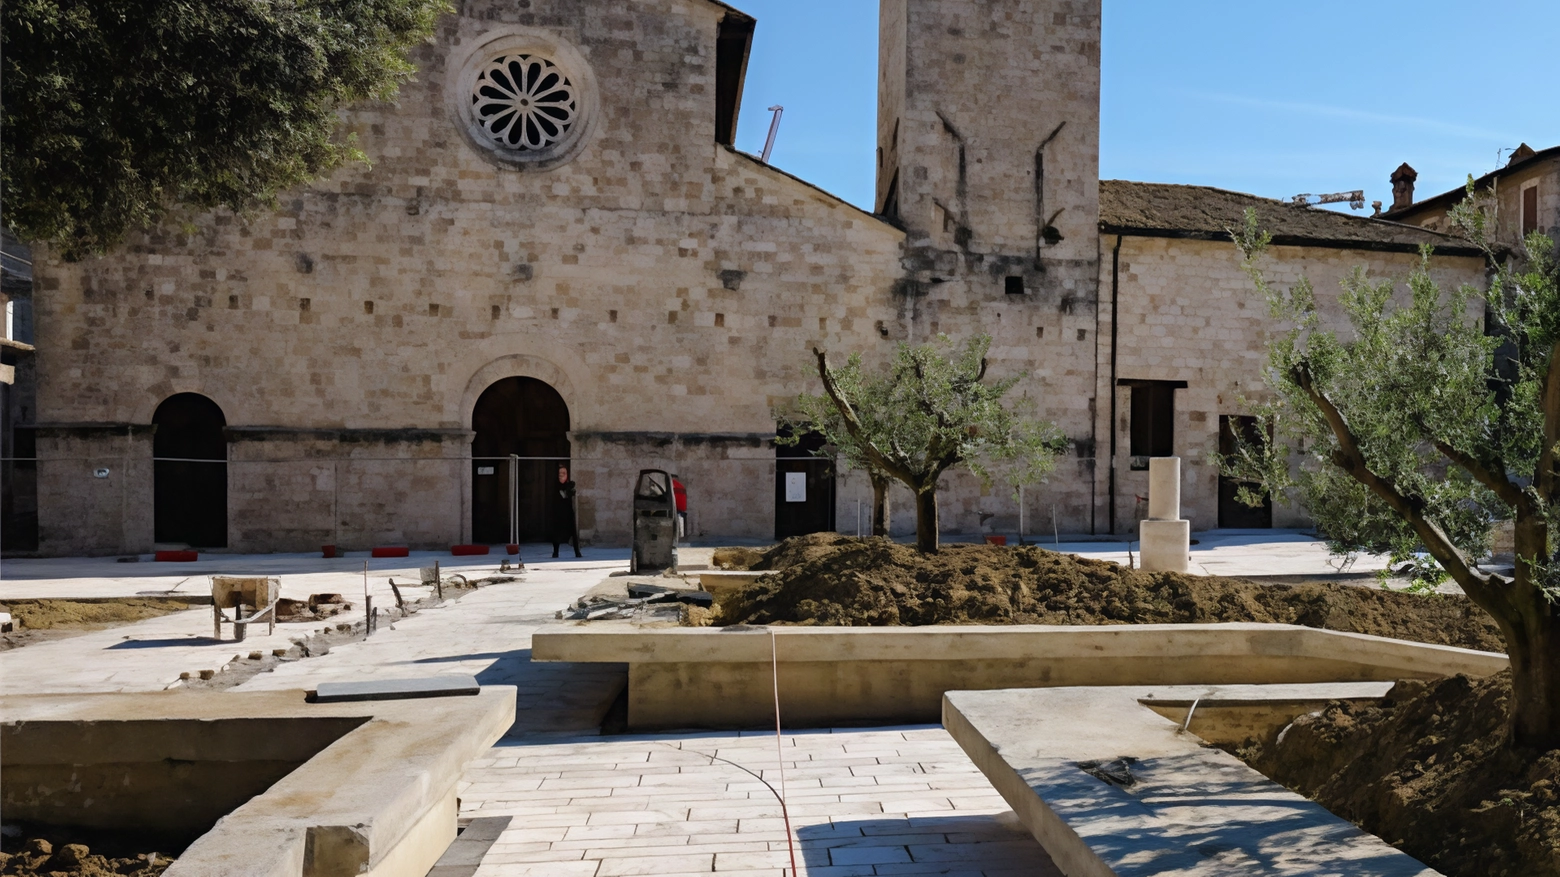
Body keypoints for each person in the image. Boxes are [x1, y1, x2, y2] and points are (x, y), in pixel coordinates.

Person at [551, 464, 582, 558]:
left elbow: (569, 494)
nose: (562, 475)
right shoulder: (555, 485)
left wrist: (570, 490)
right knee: (556, 533)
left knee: (573, 532)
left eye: (564, 473)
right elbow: (562, 495)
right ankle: (555, 552)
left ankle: (577, 552)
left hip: (568, 512)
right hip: (557, 512)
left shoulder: (569, 485)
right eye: (560, 473)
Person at [671, 474, 688, 542]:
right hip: (681, 508)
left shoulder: (670, 486)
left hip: (673, 508)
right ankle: (680, 537)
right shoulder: (681, 486)